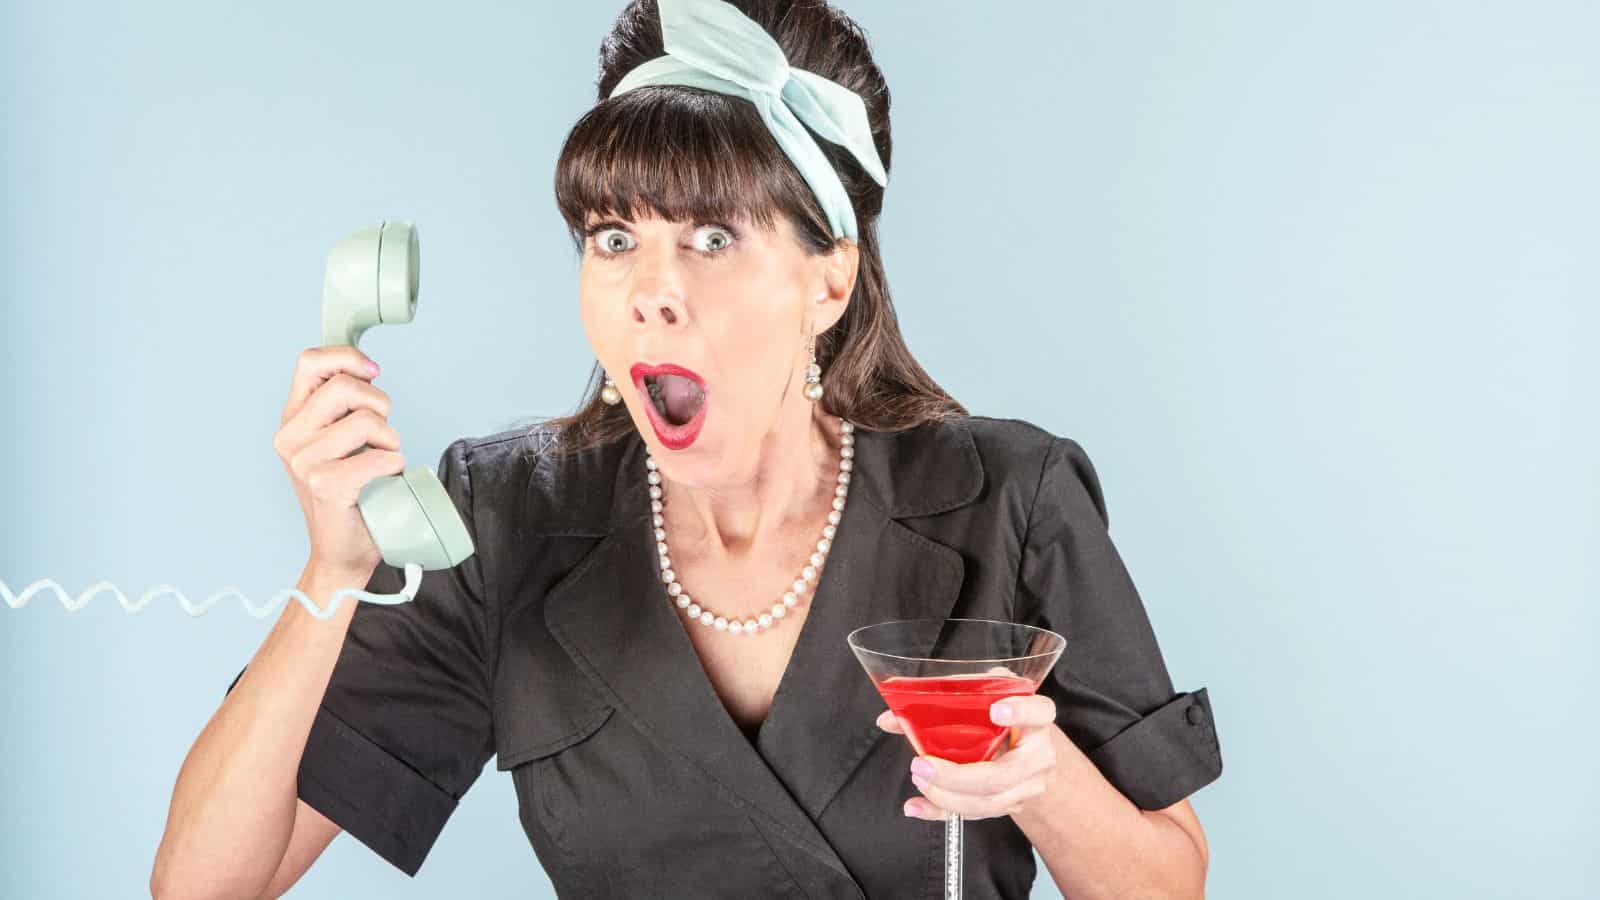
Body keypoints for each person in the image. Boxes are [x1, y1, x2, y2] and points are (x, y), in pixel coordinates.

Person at [150, 1, 1223, 897]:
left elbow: (1169, 880)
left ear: (827, 282)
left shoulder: (1007, 497)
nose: (651, 291)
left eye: (712, 238)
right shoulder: (501, 518)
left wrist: (1040, 781)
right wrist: (331, 574)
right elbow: (204, 885)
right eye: (614, 239)